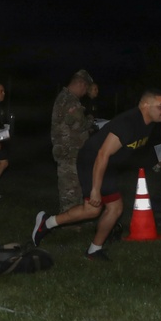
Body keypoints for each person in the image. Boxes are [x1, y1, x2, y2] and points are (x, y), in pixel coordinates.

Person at [32, 90, 161, 261]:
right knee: (92, 209)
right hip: (92, 161)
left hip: (108, 164)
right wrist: (96, 189)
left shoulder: (149, 124)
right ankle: (47, 223)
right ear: (145, 105)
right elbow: (102, 154)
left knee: (115, 208)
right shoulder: (128, 123)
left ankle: (93, 250)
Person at [50, 69, 94, 213]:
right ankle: (70, 223)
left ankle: (76, 218)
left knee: (74, 188)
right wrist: (91, 121)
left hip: (69, 150)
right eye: (85, 88)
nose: (85, 92)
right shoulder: (70, 101)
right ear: (81, 84)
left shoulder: (64, 98)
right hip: (69, 151)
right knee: (70, 190)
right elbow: (79, 124)